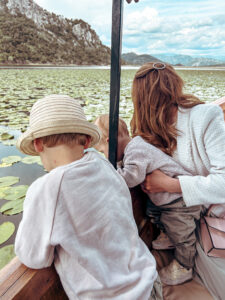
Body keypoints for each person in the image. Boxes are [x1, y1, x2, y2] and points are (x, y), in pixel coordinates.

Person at [14, 94, 162, 300]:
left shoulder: (46, 188)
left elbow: (33, 257)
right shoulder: (103, 165)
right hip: (149, 283)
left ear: (38, 144)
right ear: (86, 141)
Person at [131, 62, 225, 299]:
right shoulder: (149, 133)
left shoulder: (205, 117)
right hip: (185, 215)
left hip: (215, 214)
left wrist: (170, 185)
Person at [95, 114, 201, 285]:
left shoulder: (136, 150)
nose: (106, 156)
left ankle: (185, 265)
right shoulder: (133, 146)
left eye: (102, 151)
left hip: (181, 201)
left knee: (182, 233)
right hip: (166, 200)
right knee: (152, 211)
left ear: (110, 142)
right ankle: (168, 234)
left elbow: (130, 178)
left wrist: (109, 173)